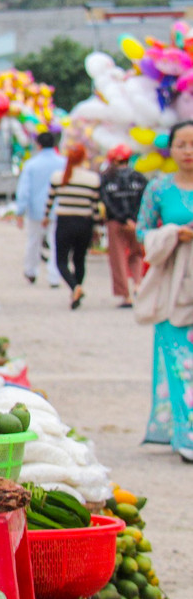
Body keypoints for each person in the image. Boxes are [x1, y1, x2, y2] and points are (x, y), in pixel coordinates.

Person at [135, 120, 193, 461]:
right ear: (170, 149)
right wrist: (173, 233)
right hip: (173, 287)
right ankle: (186, 434)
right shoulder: (158, 188)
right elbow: (142, 232)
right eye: (182, 144)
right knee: (179, 363)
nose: (189, 151)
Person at [44, 143, 102, 310]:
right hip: (85, 223)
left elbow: (49, 202)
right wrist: (97, 227)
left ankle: (74, 287)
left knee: (61, 261)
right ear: (84, 158)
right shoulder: (93, 179)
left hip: (64, 221)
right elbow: (95, 207)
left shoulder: (58, 177)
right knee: (79, 259)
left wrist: (45, 217)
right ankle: (77, 288)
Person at [15, 132, 66, 286]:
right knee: (56, 243)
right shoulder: (63, 163)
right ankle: (54, 277)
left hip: (36, 210)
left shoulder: (31, 165)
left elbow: (24, 190)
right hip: (58, 209)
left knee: (33, 241)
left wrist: (20, 211)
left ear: (39, 145)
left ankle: (31, 271)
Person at [100, 144, 148, 308]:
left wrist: (121, 218)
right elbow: (144, 201)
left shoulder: (106, 178)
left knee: (118, 258)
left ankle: (126, 295)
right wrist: (133, 219)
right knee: (137, 254)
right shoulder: (139, 178)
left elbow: (106, 202)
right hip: (136, 222)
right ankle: (139, 285)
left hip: (115, 222)